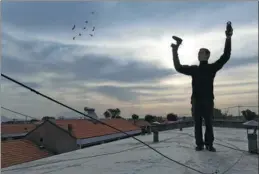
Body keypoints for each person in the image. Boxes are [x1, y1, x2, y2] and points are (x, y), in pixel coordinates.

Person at [171, 22, 233, 152]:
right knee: (197, 124)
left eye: (201, 52)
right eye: (198, 52)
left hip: (208, 100)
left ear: (207, 55)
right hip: (196, 100)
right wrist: (175, 50)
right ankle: (199, 144)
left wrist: (228, 38)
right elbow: (178, 67)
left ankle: (209, 144)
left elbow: (226, 56)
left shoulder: (212, 68)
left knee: (209, 124)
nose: (198, 53)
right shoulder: (194, 69)